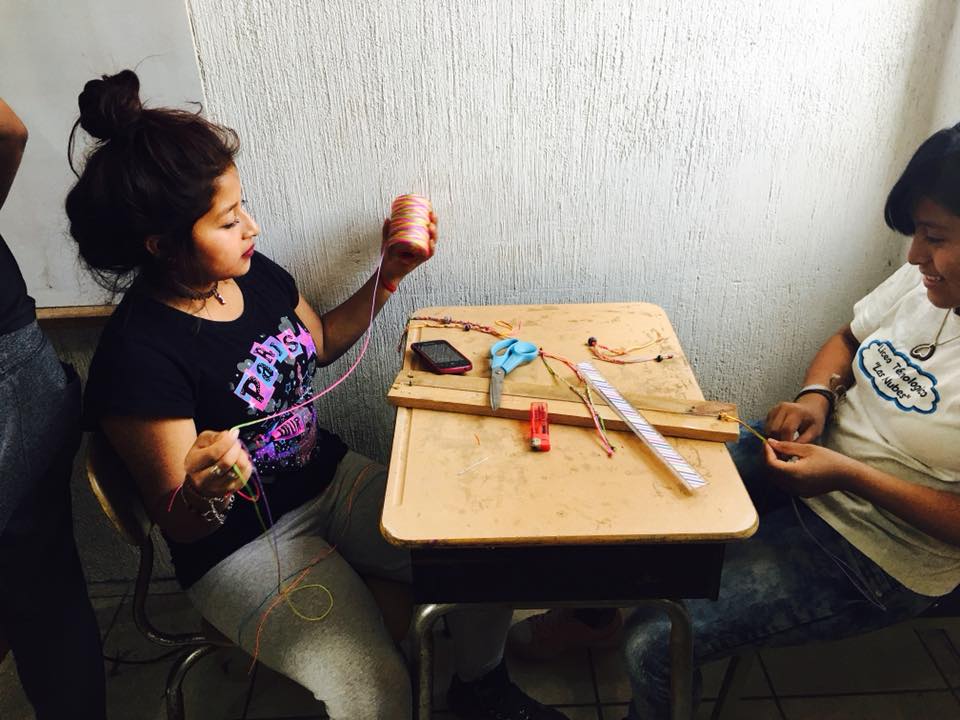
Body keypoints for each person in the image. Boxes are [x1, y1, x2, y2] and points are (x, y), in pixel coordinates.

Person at [67, 69, 567, 720]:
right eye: (228, 220)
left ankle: (481, 689)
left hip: (330, 481)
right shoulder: (139, 355)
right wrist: (205, 489)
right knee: (374, 691)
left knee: (480, 553)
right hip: (244, 546)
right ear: (161, 246)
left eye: (243, 207)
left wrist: (389, 276)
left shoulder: (251, 275)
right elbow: (181, 523)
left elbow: (323, 339)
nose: (252, 226)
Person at [612, 124, 960, 718]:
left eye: (934, 237)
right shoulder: (925, 278)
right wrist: (816, 398)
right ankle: (588, 616)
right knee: (635, 502)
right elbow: (848, 339)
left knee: (655, 643)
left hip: (881, 549)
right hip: (815, 464)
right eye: (916, 235)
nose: (914, 257)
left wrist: (848, 475)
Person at [0, 99, 107, 717]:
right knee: (43, 593)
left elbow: (7, 130)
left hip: (11, 372)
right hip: (16, 369)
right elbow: (8, 130)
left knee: (41, 593)